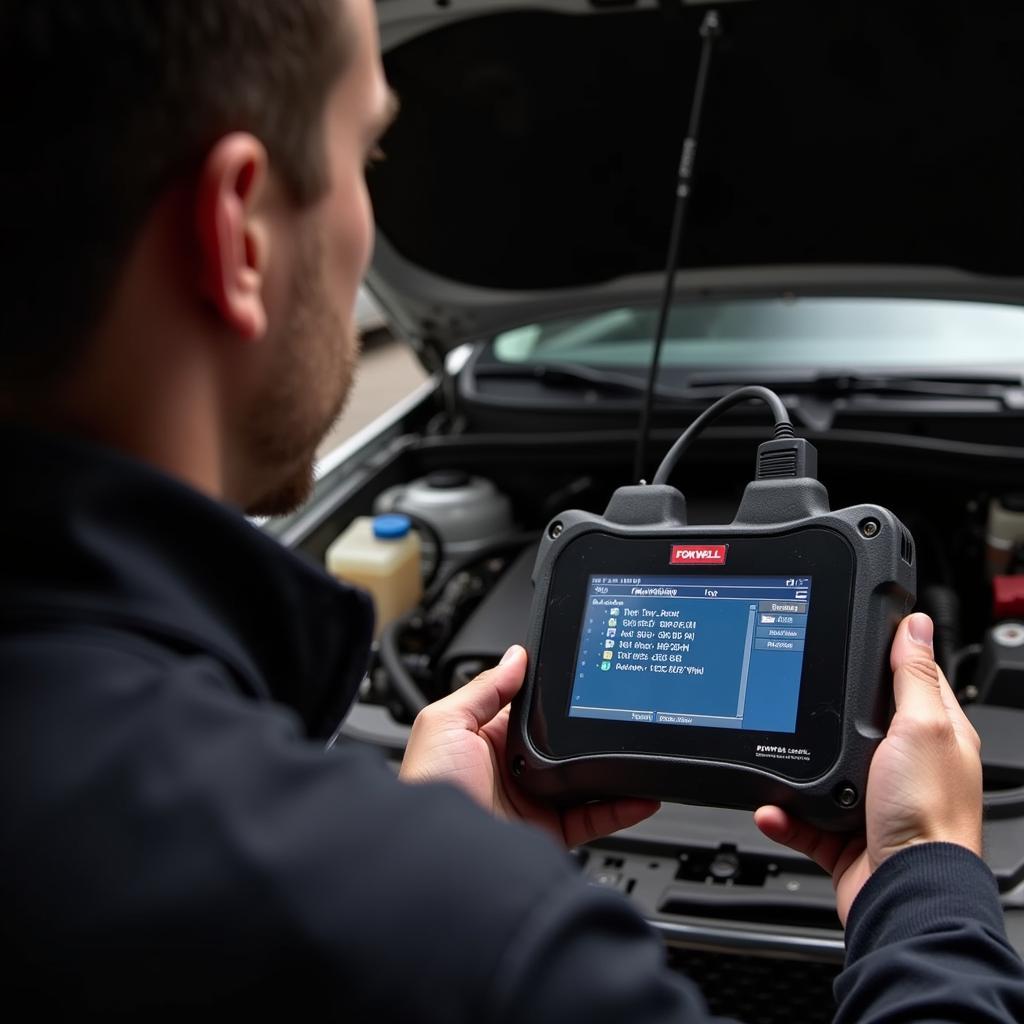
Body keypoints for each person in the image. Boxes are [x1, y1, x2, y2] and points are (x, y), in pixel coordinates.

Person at [0, 1, 1021, 1020]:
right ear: (240, 234)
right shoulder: (461, 949)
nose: (371, 219)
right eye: (371, 152)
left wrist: (430, 841)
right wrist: (926, 874)